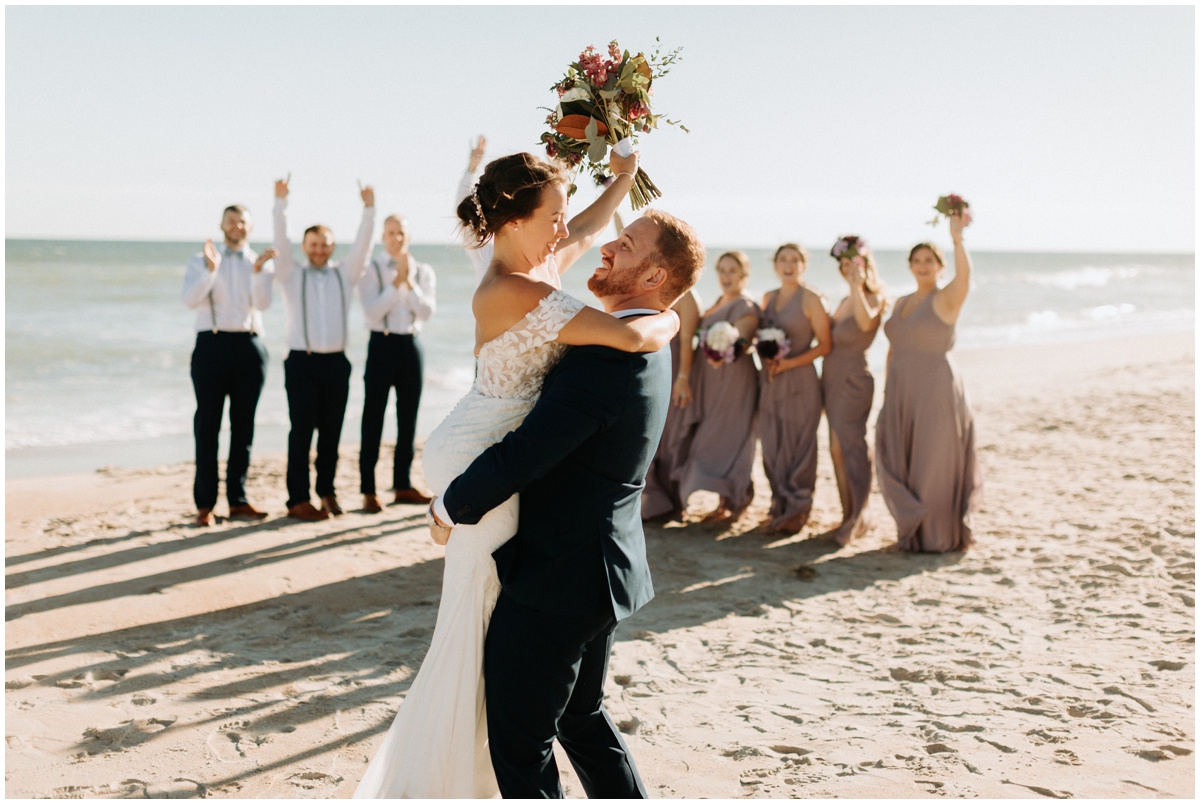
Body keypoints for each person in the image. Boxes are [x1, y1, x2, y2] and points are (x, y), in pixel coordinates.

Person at [353, 150, 690, 799]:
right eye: (553, 217)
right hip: (480, 459)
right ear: (513, 219)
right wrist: (669, 314)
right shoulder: (517, 288)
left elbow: (590, 227)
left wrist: (621, 175)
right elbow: (628, 337)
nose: (567, 230)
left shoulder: (534, 266)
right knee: (492, 657)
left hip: (496, 463)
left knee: (522, 680)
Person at [875, 211, 982, 552]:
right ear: (910, 266)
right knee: (902, 459)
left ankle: (937, 536)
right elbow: (894, 347)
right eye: (917, 260)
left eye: (929, 260)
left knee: (933, 461)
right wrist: (889, 388)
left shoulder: (946, 298)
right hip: (902, 389)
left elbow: (965, 277)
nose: (923, 265)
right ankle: (912, 530)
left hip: (936, 388)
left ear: (940, 266)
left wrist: (957, 240)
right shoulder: (903, 302)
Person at [272, 178, 375, 521]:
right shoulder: (290, 274)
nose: (319, 249)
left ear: (332, 247)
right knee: (301, 432)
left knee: (331, 433)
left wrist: (368, 209)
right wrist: (280, 204)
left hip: (336, 365)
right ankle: (297, 499)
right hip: (302, 363)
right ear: (304, 246)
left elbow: (362, 247)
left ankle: (326, 492)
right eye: (313, 244)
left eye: (325, 244)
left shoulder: (345, 275)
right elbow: (280, 243)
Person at [181, 205, 276, 526]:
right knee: (207, 424)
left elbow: (263, 304)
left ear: (250, 226)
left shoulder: (257, 262)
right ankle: (205, 505)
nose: (237, 226)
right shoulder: (200, 259)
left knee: (243, 426)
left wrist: (260, 272)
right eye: (231, 221)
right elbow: (190, 301)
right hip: (212, 343)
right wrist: (211, 269)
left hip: (249, 344)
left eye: (243, 222)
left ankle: (238, 500)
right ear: (222, 224)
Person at [674, 251, 761, 522]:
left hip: (734, 382)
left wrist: (726, 349)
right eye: (722, 270)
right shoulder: (718, 301)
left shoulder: (745, 305)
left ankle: (736, 500)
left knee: (730, 439)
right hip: (710, 383)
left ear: (744, 275)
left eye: (732, 270)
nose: (726, 276)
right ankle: (727, 501)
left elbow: (743, 342)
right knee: (713, 437)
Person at [357, 214, 436, 513]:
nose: (396, 238)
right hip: (381, 344)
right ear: (383, 236)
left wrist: (410, 283)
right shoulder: (371, 269)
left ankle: (402, 484)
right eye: (390, 233)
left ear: (408, 235)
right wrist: (395, 286)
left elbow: (427, 312)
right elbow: (371, 313)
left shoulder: (424, 271)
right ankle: (368, 489)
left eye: (400, 232)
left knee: (408, 418)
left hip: (411, 345)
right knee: (373, 417)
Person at [757, 244, 831, 534]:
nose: (788, 265)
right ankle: (779, 505)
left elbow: (825, 345)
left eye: (794, 260)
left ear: (804, 265)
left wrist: (789, 364)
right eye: (783, 260)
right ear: (775, 265)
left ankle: (799, 508)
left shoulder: (811, 299)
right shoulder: (768, 298)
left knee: (800, 446)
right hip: (771, 381)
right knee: (773, 445)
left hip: (800, 380)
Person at [823, 236, 886, 546]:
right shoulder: (845, 298)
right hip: (832, 379)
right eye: (843, 264)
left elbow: (864, 325)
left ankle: (861, 515)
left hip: (854, 381)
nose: (847, 269)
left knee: (851, 447)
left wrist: (857, 285)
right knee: (835, 449)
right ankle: (850, 513)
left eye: (853, 263)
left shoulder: (872, 295)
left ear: (864, 263)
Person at [641, 286, 701, 521]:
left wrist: (683, 378)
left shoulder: (686, 296)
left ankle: (672, 503)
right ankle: (653, 501)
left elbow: (687, 340)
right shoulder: (650, 288)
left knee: (672, 437)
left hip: (673, 371)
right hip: (650, 368)